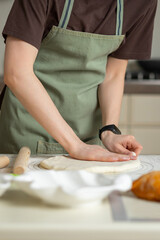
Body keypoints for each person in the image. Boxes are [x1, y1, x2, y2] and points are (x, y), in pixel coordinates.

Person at [0, 0, 157, 161]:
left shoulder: (143, 3)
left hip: (89, 139)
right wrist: (75, 145)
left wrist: (109, 131)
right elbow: (17, 74)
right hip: (27, 133)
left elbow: (113, 75)